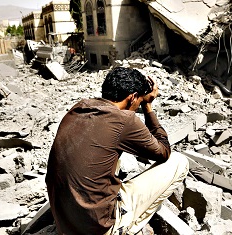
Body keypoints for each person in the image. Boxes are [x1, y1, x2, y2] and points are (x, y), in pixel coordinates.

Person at [45, 67, 189, 235]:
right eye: (139, 101)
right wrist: (148, 106)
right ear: (133, 97)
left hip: (64, 222)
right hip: (99, 228)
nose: (137, 106)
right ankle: (123, 228)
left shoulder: (80, 107)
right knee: (179, 162)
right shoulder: (124, 119)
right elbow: (163, 152)